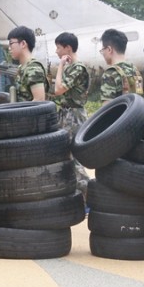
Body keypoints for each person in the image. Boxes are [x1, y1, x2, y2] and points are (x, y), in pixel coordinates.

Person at [52, 32, 90, 199]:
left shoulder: (78, 68)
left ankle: (87, 193)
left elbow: (58, 89)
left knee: (72, 155)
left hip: (74, 115)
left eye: (58, 47)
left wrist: (60, 66)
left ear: (68, 48)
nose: (56, 51)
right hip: (67, 113)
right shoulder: (72, 68)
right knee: (66, 154)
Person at [99, 28, 143, 104]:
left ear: (109, 49)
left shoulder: (110, 73)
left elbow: (107, 109)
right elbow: (139, 99)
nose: (102, 53)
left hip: (121, 116)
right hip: (136, 115)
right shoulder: (135, 71)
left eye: (103, 50)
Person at [7, 25, 47, 102]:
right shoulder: (23, 68)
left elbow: (39, 100)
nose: (9, 48)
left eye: (11, 43)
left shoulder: (33, 68)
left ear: (23, 44)